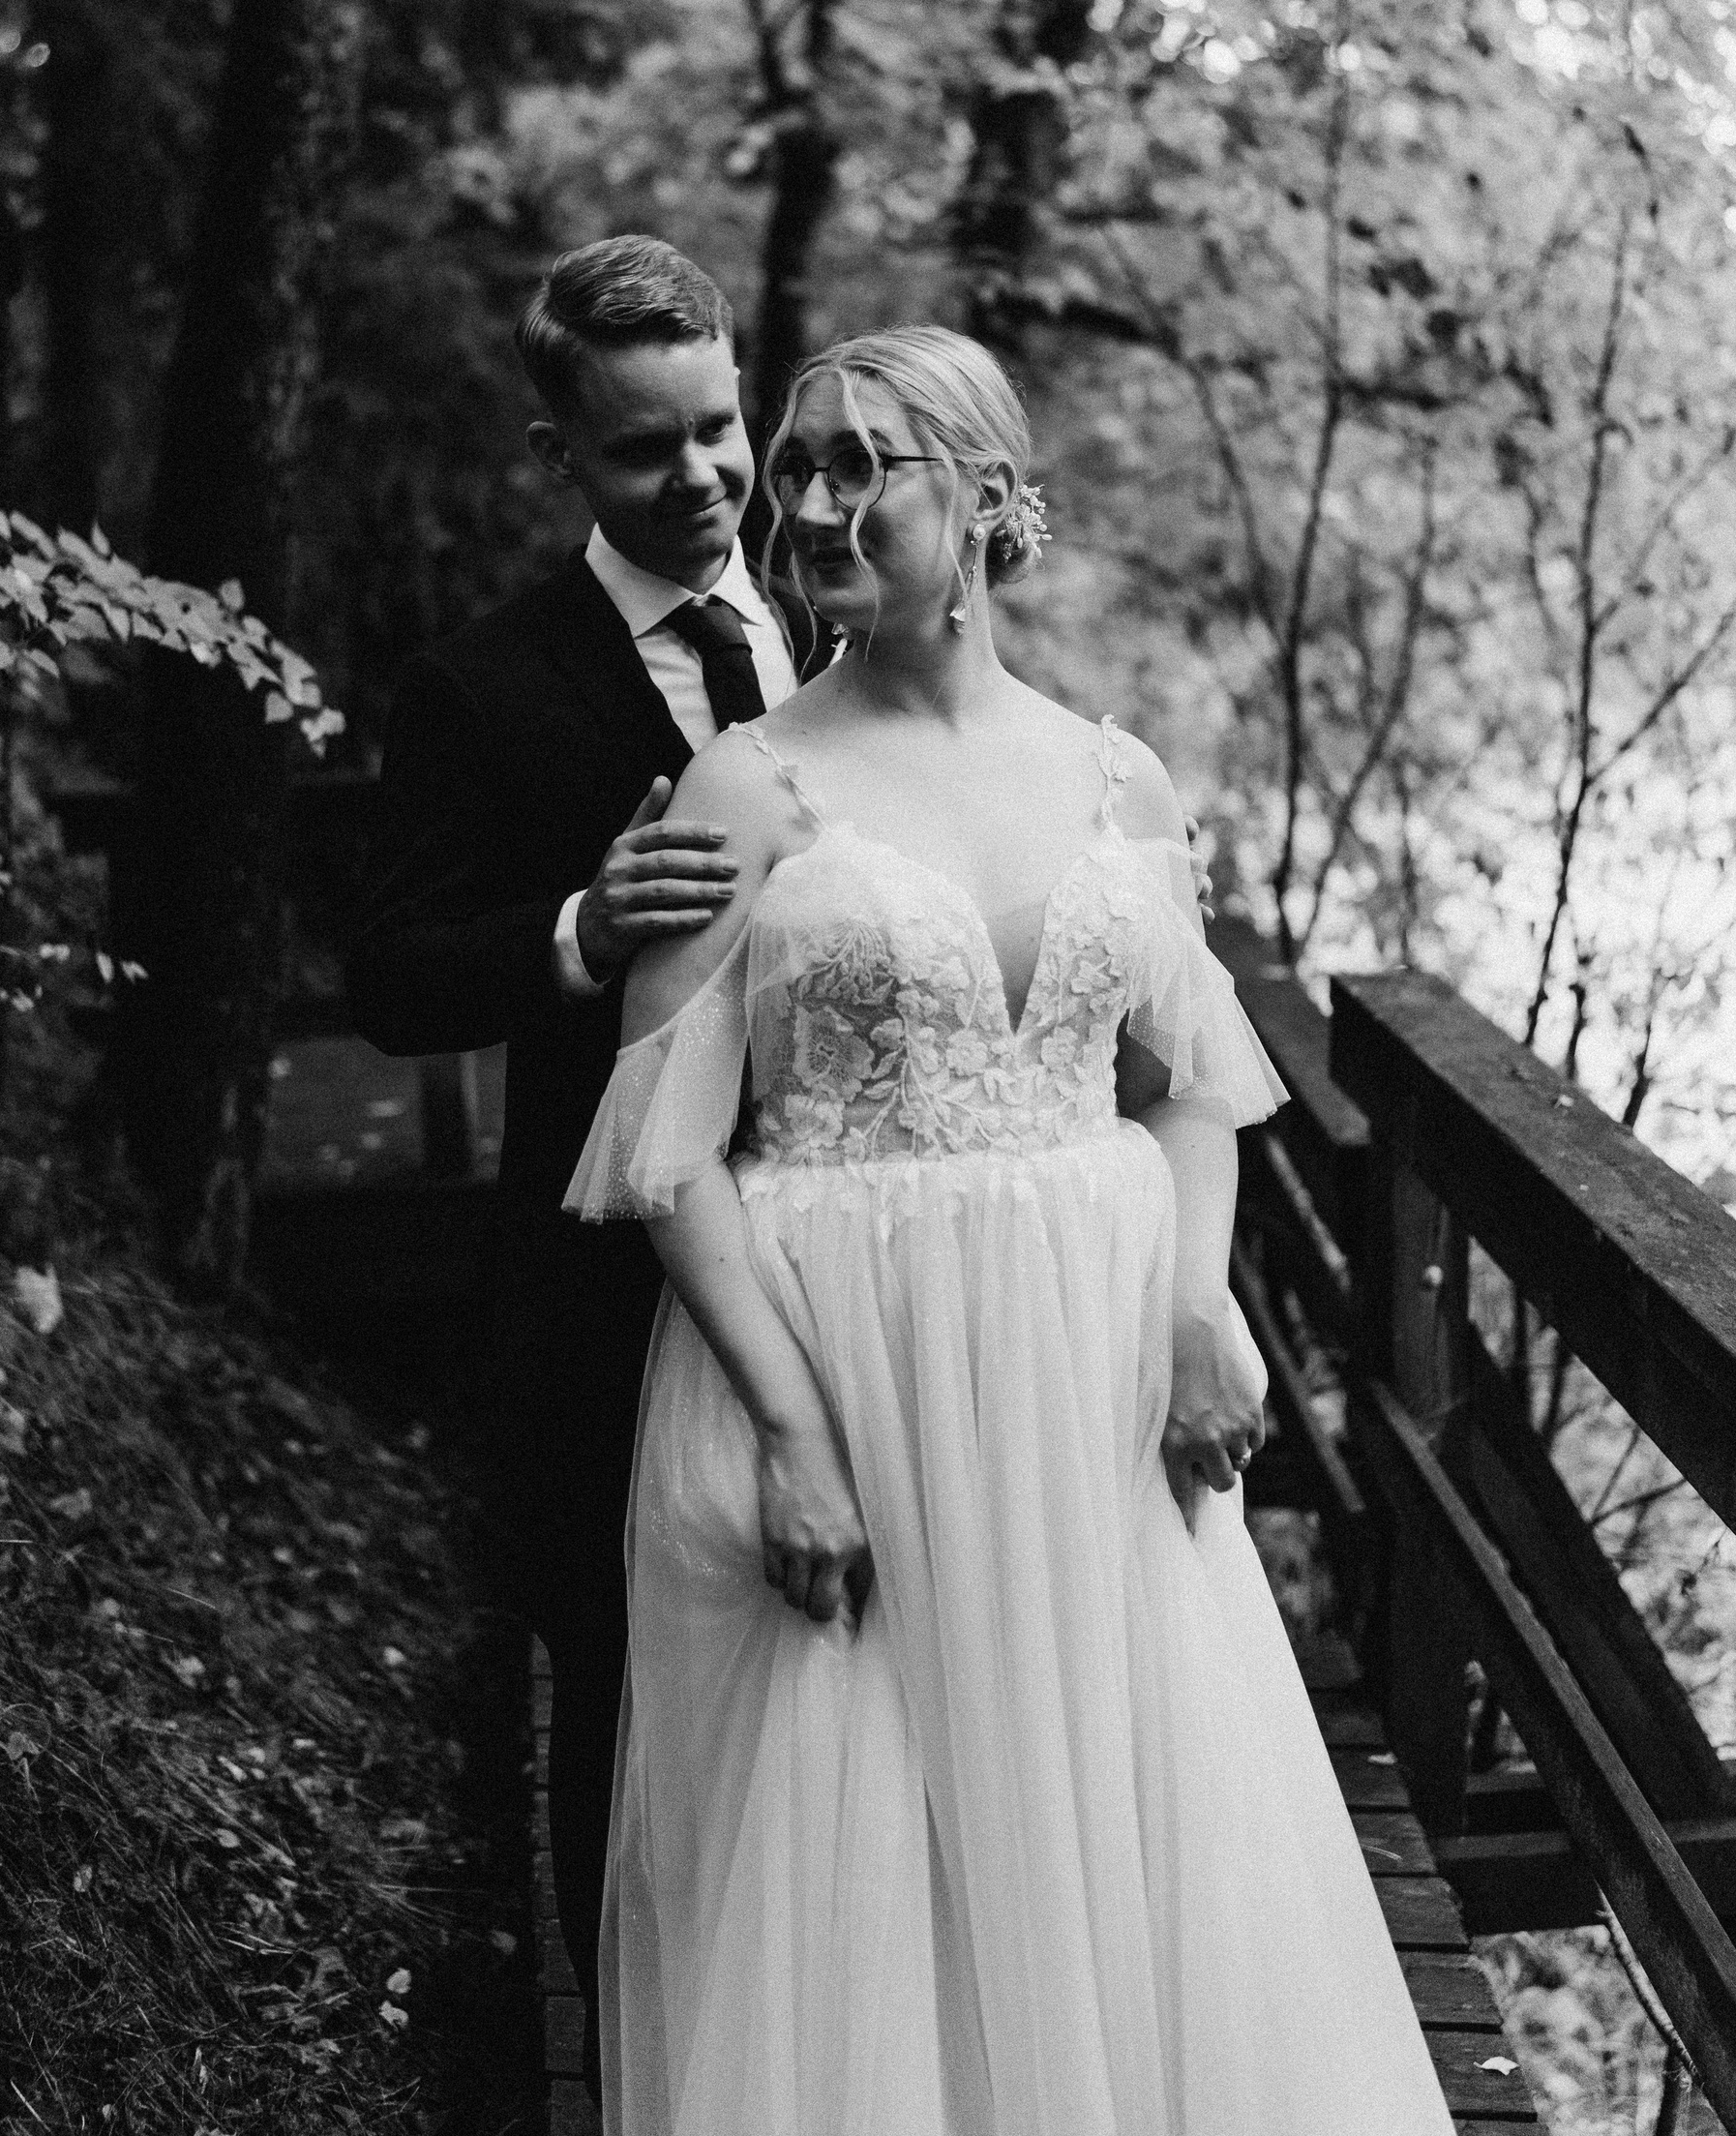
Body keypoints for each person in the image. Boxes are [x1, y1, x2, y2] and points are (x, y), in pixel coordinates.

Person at [565, 324, 1456, 2134]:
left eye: (859, 465)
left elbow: (1192, 1082)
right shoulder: (748, 785)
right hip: (852, 1374)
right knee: (873, 1848)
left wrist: (1201, 1309)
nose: (807, 504)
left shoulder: (1118, 778)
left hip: (1089, 1376)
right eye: (796, 465)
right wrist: (795, 1437)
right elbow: (670, 1153)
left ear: (980, 497)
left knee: (1122, 1809)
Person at [344, 236, 803, 2101]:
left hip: (849, 1250)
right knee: (623, 1695)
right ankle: (632, 2079)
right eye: (642, 450)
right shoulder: (480, 686)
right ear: (559, 456)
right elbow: (389, 976)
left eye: (719, 429)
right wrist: (575, 930)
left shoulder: (842, 615)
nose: (701, 477)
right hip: (603, 1294)